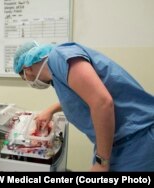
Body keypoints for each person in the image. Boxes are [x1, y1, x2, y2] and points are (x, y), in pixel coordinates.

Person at [13, 41, 154, 172]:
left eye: (24, 79)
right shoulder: (57, 75)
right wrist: (50, 110)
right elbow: (82, 96)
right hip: (116, 144)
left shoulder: (59, 57)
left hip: (136, 141)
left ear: (27, 70)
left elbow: (102, 102)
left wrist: (101, 162)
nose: (29, 83)